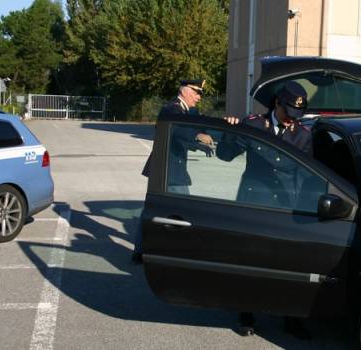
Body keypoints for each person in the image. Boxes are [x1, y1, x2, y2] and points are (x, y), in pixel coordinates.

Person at [217, 81, 312, 340]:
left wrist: (305, 210)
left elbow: (305, 176)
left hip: (285, 208)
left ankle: (291, 318)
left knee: (288, 264)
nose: (292, 120)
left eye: (297, 116)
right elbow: (224, 155)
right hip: (254, 204)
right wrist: (230, 130)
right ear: (278, 103)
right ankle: (246, 314)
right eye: (289, 112)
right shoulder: (254, 124)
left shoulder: (303, 134)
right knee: (251, 261)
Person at [132, 79, 213, 263]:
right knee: (185, 209)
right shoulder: (171, 109)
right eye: (196, 92)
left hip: (169, 168)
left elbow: (196, 124)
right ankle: (184, 250)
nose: (199, 97)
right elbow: (178, 130)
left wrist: (218, 127)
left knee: (153, 209)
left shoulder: (186, 110)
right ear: (184, 91)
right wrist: (197, 136)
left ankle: (140, 250)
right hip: (168, 170)